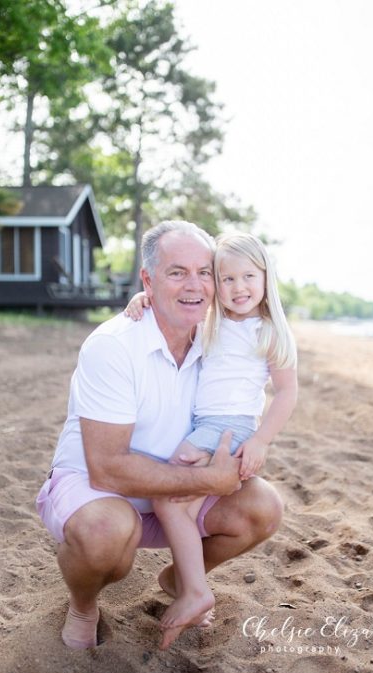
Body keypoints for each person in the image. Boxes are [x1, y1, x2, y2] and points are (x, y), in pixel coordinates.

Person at [35, 220, 284, 651]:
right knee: (105, 533)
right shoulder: (114, 345)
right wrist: (207, 480)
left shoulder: (215, 336)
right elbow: (107, 468)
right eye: (176, 272)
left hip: (175, 494)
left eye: (204, 272)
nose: (195, 285)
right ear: (148, 280)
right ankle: (83, 605)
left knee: (264, 507)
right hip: (99, 490)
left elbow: (262, 366)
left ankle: (181, 580)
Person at [123, 232, 298, 648]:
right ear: (215, 284)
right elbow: (172, 308)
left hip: (230, 430)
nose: (239, 288)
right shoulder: (211, 323)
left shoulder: (268, 330)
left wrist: (261, 441)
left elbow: (287, 393)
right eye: (227, 279)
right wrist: (140, 299)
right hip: (205, 427)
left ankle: (193, 589)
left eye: (248, 277)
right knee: (177, 505)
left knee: (168, 498)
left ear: (265, 277)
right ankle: (183, 583)